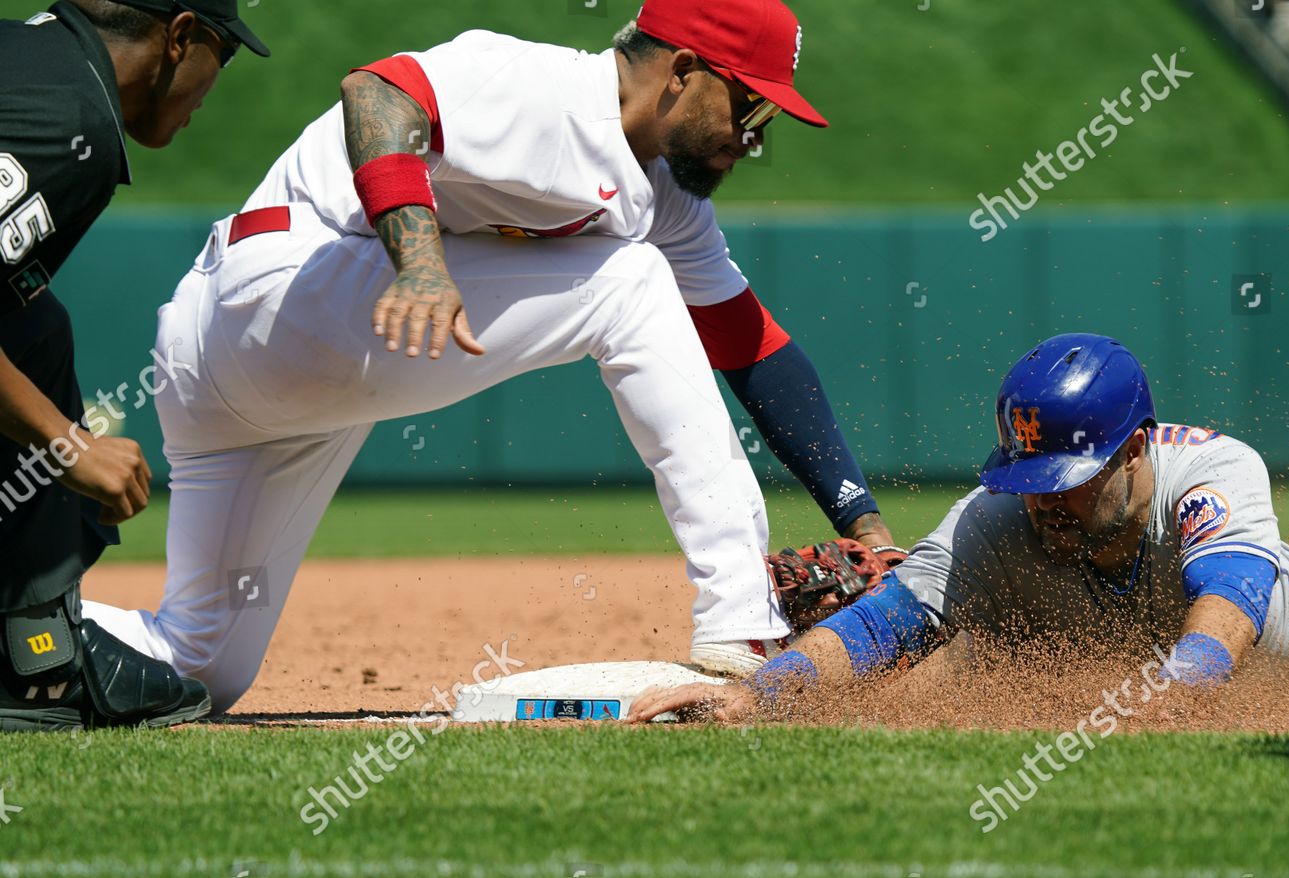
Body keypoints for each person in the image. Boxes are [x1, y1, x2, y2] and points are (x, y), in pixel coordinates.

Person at [83, 0, 902, 712]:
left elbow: (751, 347)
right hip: (277, 293)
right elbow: (375, 90)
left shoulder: (668, 200)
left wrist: (865, 528)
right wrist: (421, 259)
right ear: (684, 70)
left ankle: (34, 623)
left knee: (200, 665)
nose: (751, 139)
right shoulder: (539, 89)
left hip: (252, 373)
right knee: (630, 283)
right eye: (749, 108)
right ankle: (740, 627)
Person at [629, 333, 1289, 723]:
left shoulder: (1211, 468)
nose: (1044, 500)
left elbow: (1232, 599)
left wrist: (1176, 691)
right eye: (1029, 479)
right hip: (1176, 667)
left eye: (1068, 481)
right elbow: (887, 621)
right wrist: (759, 692)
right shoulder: (998, 517)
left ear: (1134, 452)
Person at [0, 0, 267, 730]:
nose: (214, 88)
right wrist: (68, 446)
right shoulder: (70, 119)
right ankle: (34, 672)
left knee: (32, 327)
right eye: (223, 52)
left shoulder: (32, 65)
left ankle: (32, 646)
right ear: (180, 37)